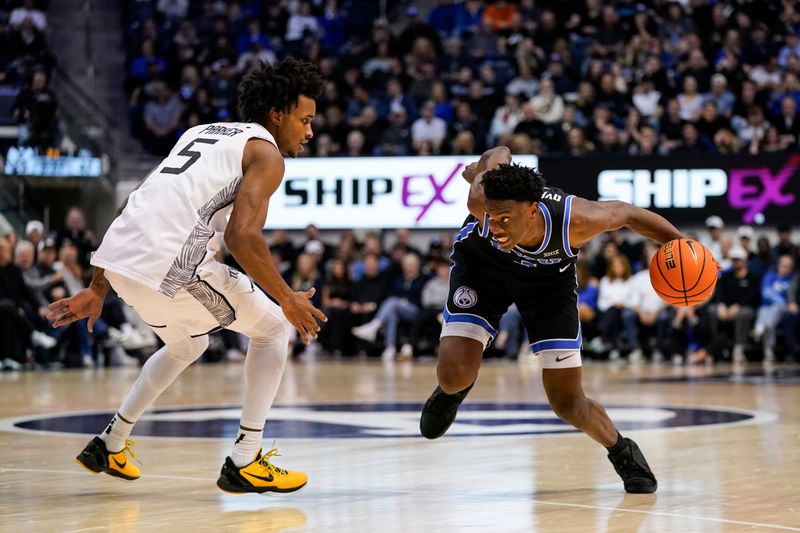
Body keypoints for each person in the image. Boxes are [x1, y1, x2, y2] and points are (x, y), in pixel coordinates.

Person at [46, 59, 327, 494]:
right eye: (305, 119)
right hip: (173, 265)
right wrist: (288, 297)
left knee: (187, 344)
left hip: (122, 264)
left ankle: (111, 441)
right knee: (273, 329)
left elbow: (134, 204)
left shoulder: (200, 132)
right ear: (277, 114)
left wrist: (97, 286)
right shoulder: (266, 153)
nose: (309, 132)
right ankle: (245, 459)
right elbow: (242, 235)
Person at [419, 146, 685, 494]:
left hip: (548, 284)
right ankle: (454, 391)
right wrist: (480, 173)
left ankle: (622, 450)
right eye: (492, 218)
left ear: (532, 211)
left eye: (505, 220)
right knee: (454, 376)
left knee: (567, 402)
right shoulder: (480, 200)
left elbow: (630, 214)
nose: (496, 227)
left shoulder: (576, 220)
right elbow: (500, 150)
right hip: (483, 270)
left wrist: (683, 245)